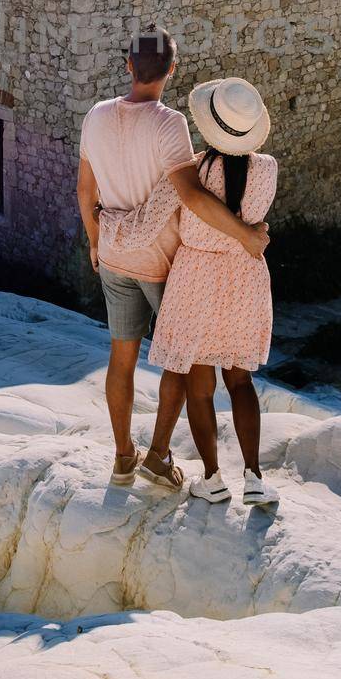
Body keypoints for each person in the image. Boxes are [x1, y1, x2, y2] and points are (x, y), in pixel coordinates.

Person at [77, 28, 271, 492]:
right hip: (164, 263)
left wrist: (94, 241)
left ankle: (124, 456)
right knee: (181, 364)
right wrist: (245, 234)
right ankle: (158, 457)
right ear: (172, 70)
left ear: (128, 65)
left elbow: (86, 191)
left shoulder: (96, 116)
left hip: (115, 253)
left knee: (121, 359)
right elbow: (192, 196)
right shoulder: (169, 124)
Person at [148, 77, 280, 507]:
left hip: (197, 275)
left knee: (199, 385)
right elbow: (254, 220)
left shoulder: (196, 169)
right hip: (244, 276)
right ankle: (255, 476)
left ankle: (212, 477)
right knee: (240, 380)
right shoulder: (268, 168)